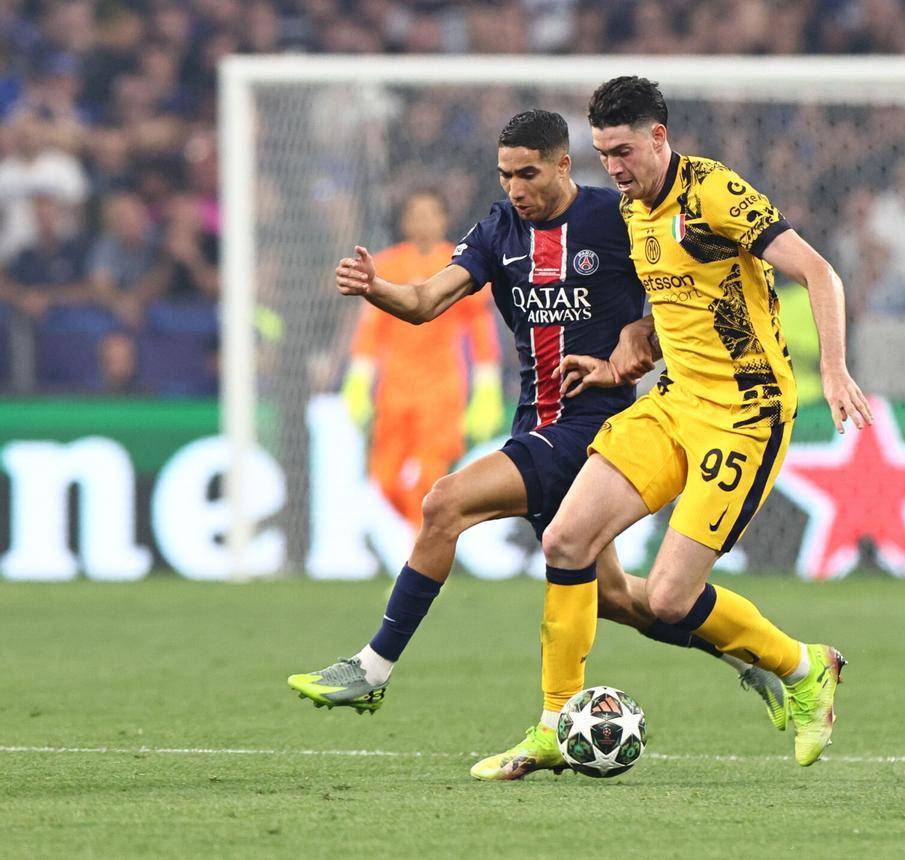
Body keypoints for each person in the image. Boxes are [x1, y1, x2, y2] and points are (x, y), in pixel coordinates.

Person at [286, 110, 788, 766]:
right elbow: (425, 302)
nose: (516, 187)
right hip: (535, 423)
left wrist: (639, 342)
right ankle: (760, 659)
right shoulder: (499, 228)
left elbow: (681, 294)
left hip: (593, 426)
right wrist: (377, 288)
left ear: (561, 165)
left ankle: (373, 669)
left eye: (528, 173)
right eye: (505, 174)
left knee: (445, 504)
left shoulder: (617, 217)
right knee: (616, 597)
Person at [473, 77, 872, 776]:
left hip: (746, 416)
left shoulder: (713, 193)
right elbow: (668, 310)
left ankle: (805, 666)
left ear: (659, 136)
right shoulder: (630, 213)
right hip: (674, 401)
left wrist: (835, 369)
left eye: (624, 151)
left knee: (665, 598)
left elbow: (819, 272)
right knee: (567, 540)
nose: (615, 169)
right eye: (603, 155)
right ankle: (552, 725)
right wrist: (622, 362)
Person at [341, 189, 503, 524]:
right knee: (384, 479)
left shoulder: (461, 264)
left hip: (441, 392)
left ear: (444, 219)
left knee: (430, 478)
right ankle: (428, 543)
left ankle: (419, 566)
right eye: (416, 214)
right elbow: (372, 329)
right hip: (395, 391)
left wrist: (488, 386)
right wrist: (359, 378)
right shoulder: (387, 265)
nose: (423, 221)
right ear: (404, 221)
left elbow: (480, 329)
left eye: (431, 213)